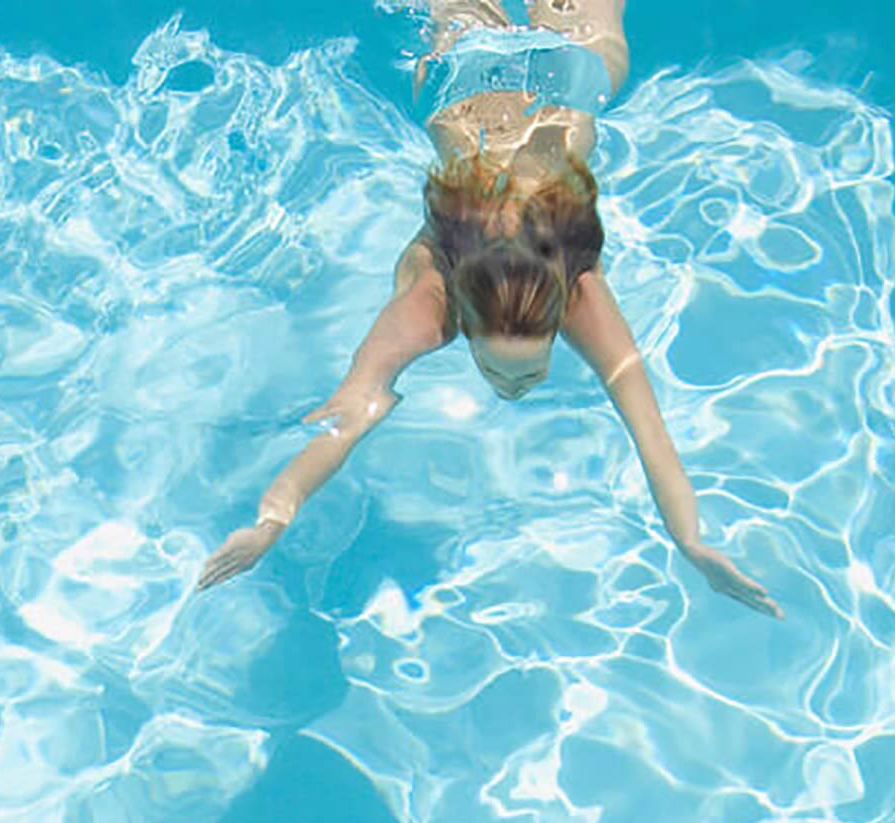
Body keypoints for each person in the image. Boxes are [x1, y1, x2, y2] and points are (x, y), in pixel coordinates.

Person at [198, 0, 781, 615]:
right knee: (596, 51)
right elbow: (351, 415)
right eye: (509, 372)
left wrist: (691, 543)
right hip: (558, 82)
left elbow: (651, 438)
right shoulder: (427, 303)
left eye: (521, 372)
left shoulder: (578, 297)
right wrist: (273, 518)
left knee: (469, 29)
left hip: (467, 85)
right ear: (462, 323)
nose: (514, 388)